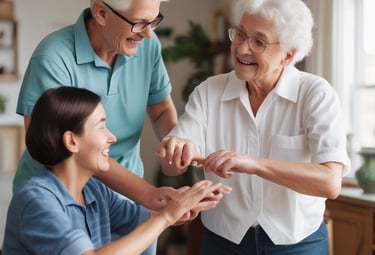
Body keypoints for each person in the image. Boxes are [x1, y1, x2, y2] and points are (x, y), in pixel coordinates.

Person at [156, 0, 351, 254]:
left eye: (258, 42)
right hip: (223, 242)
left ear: (289, 54)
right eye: (240, 34)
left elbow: (330, 183)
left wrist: (255, 164)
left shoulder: (315, 94)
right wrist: (176, 150)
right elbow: (171, 164)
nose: (242, 48)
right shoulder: (208, 91)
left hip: (299, 244)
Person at [3, 87, 230, 255]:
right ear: (72, 141)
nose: (111, 137)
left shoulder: (93, 189)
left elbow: (143, 220)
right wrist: (167, 216)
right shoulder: (36, 200)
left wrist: (181, 208)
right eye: (101, 126)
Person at [14, 0, 179, 211]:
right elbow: (52, 146)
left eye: (153, 21)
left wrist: (176, 141)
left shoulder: (148, 45)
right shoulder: (53, 58)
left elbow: (161, 110)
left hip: (127, 197)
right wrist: (147, 193)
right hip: (62, 199)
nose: (147, 34)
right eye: (138, 23)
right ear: (101, 13)